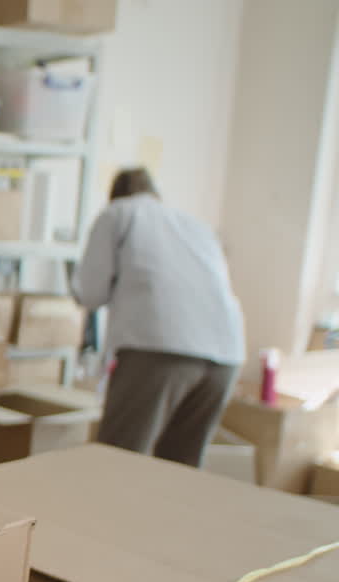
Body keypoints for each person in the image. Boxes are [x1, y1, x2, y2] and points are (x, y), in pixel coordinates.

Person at [73, 168, 244, 467]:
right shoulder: (196, 225)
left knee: (117, 461)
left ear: (116, 195)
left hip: (159, 348)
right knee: (179, 468)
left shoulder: (117, 213)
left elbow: (90, 294)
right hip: (227, 354)